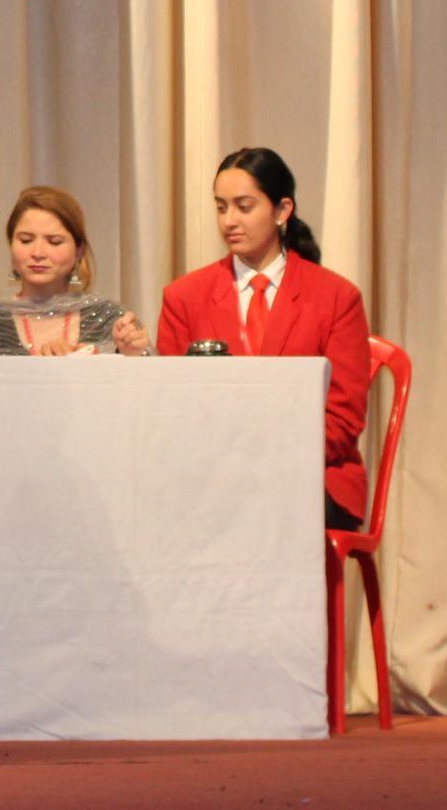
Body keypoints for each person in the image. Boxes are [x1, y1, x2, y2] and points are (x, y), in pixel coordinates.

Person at [156, 147, 372, 529]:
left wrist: (262, 460)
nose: (229, 221)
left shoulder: (336, 298)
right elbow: (174, 406)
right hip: (211, 478)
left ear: (282, 210)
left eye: (244, 207)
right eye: (221, 208)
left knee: (256, 508)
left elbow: (343, 419)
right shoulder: (184, 297)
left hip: (313, 474)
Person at [0, 184, 147, 356]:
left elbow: (144, 379)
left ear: (79, 250)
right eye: (26, 240)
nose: (38, 253)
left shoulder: (107, 316)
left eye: (54, 242)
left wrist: (130, 353)